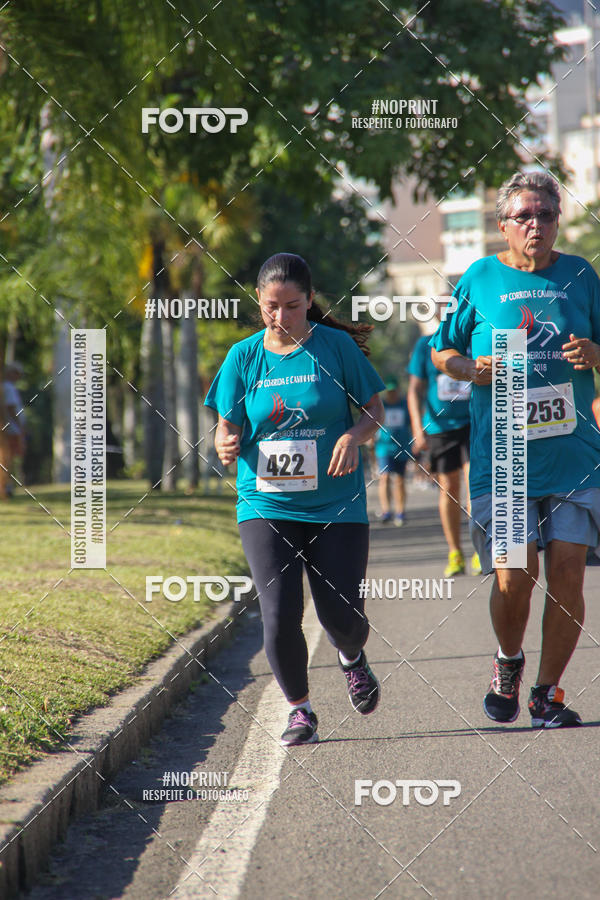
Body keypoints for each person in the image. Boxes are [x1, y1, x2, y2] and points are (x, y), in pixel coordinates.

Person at [431, 170, 600, 728]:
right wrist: (468, 368)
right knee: (514, 576)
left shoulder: (581, 275)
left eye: (545, 214)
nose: (535, 224)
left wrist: (596, 353)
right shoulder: (479, 279)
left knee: (569, 572)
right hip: (505, 457)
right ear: (502, 225)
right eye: (523, 216)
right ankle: (509, 661)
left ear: (558, 220)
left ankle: (546, 694)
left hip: (574, 453)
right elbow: (442, 351)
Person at [205, 252, 385, 746]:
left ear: (309, 301)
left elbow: (374, 409)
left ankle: (351, 656)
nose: (280, 317)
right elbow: (227, 423)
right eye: (270, 307)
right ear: (259, 303)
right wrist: (224, 439)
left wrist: (353, 437)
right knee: (280, 611)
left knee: (342, 617)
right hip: (267, 502)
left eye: (291, 306)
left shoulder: (335, 348)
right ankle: (300, 711)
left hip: (337, 503)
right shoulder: (243, 357)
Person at [407, 328, 477, 575]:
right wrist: (417, 426)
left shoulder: (475, 339)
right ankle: (455, 552)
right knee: (449, 487)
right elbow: (415, 389)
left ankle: (480, 550)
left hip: (474, 422)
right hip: (439, 427)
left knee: (475, 484)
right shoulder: (426, 345)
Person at [374, 376, 411, 525]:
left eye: (394, 391)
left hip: (402, 447)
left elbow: (412, 422)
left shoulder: (404, 405)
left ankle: (400, 512)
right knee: (385, 477)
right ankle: (386, 510)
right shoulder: (381, 405)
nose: (391, 394)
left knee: (400, 479)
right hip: (384, 448)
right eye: (389, 392)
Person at [2, 361, 26, 497]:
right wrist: (20, 427)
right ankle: (7, 486)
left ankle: (8, 485)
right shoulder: (8, 388)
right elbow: (11, 408)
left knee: (9, 458)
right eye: (17, 373)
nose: (19, 377)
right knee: (9, 458)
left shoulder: (7, 387)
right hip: (11, 429)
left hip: (10, 428)